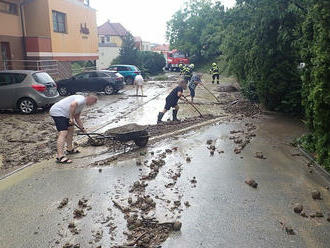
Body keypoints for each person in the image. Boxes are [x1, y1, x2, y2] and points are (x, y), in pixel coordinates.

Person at [49, 94, 98, 164]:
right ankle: (60, 156)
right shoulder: (81, 99)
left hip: (65, 114)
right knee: (63, 132)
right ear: (90, 99)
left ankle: (70, 149)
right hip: (57, 112)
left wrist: (82, 128)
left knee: (71, 129)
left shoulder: (82, 105)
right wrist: (71, 118)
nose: (92, 104)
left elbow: (77, 117)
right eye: (93, 103)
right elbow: (73, 105)